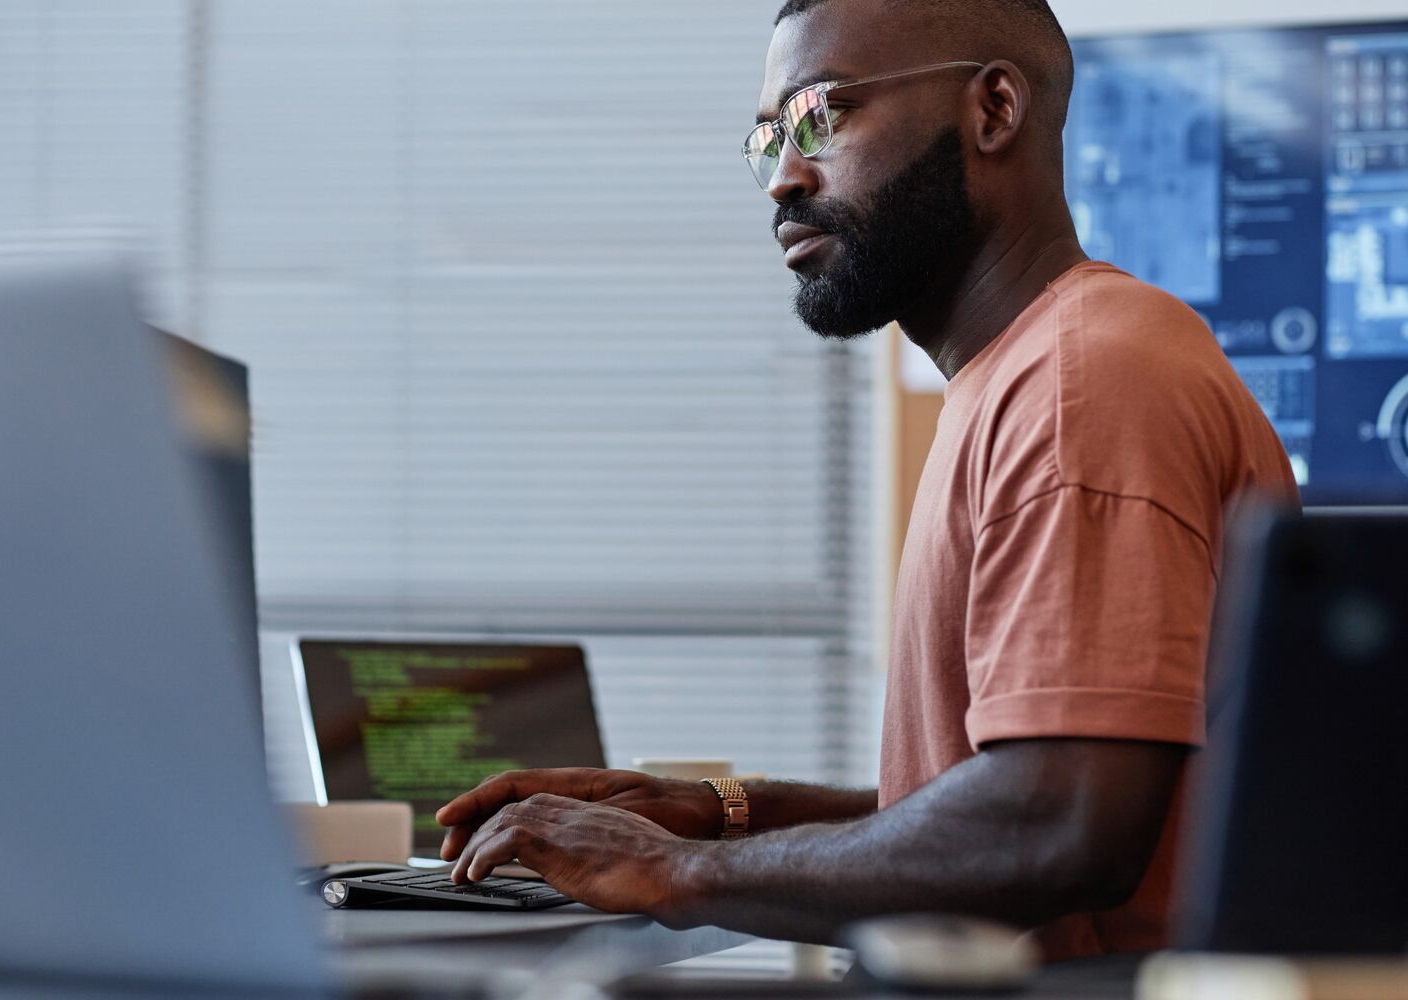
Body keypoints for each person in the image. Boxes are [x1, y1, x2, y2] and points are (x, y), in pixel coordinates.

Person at [435, 0, 1298, 960]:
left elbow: (1056, 825)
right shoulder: (1027, 375)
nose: (784, 180)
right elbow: (985, 794)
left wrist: (673, 872)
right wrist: (717, 815)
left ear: (995, 109)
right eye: (769, 139)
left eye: (822, 116)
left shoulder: (1080, 384)